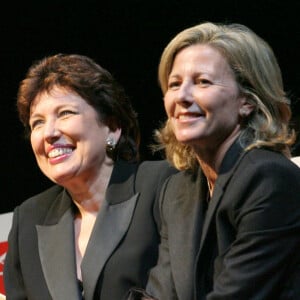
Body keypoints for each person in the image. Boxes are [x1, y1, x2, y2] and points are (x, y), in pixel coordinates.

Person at [127, 22, 300, 299]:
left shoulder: (268, 179)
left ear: (247, 100)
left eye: (202, 82)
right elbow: (159, 293)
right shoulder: (177, 190)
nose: (181, 97)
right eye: (174, 84)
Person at [3, 53, 177, 300]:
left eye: (65, 113)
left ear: (112, 127)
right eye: (37, 123)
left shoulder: (161, 185)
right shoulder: (29, 219)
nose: (49, 133)